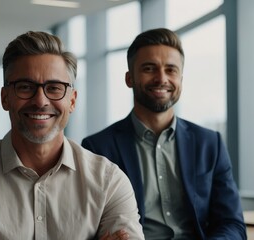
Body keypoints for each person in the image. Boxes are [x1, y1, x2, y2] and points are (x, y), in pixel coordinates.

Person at [0, 31, 144, 240]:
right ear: (5, 98)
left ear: (72, 101)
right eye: (25, 87)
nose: (40, 101)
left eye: (54, 88)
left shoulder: (109, 181)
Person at [82, 28, 247, 239]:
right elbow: (88, 226)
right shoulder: (97, 148)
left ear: (181, 79)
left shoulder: (209, 144)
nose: (162, 78)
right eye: (149, 68)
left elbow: (231, 223)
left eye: (171, 70)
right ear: (129, 78)